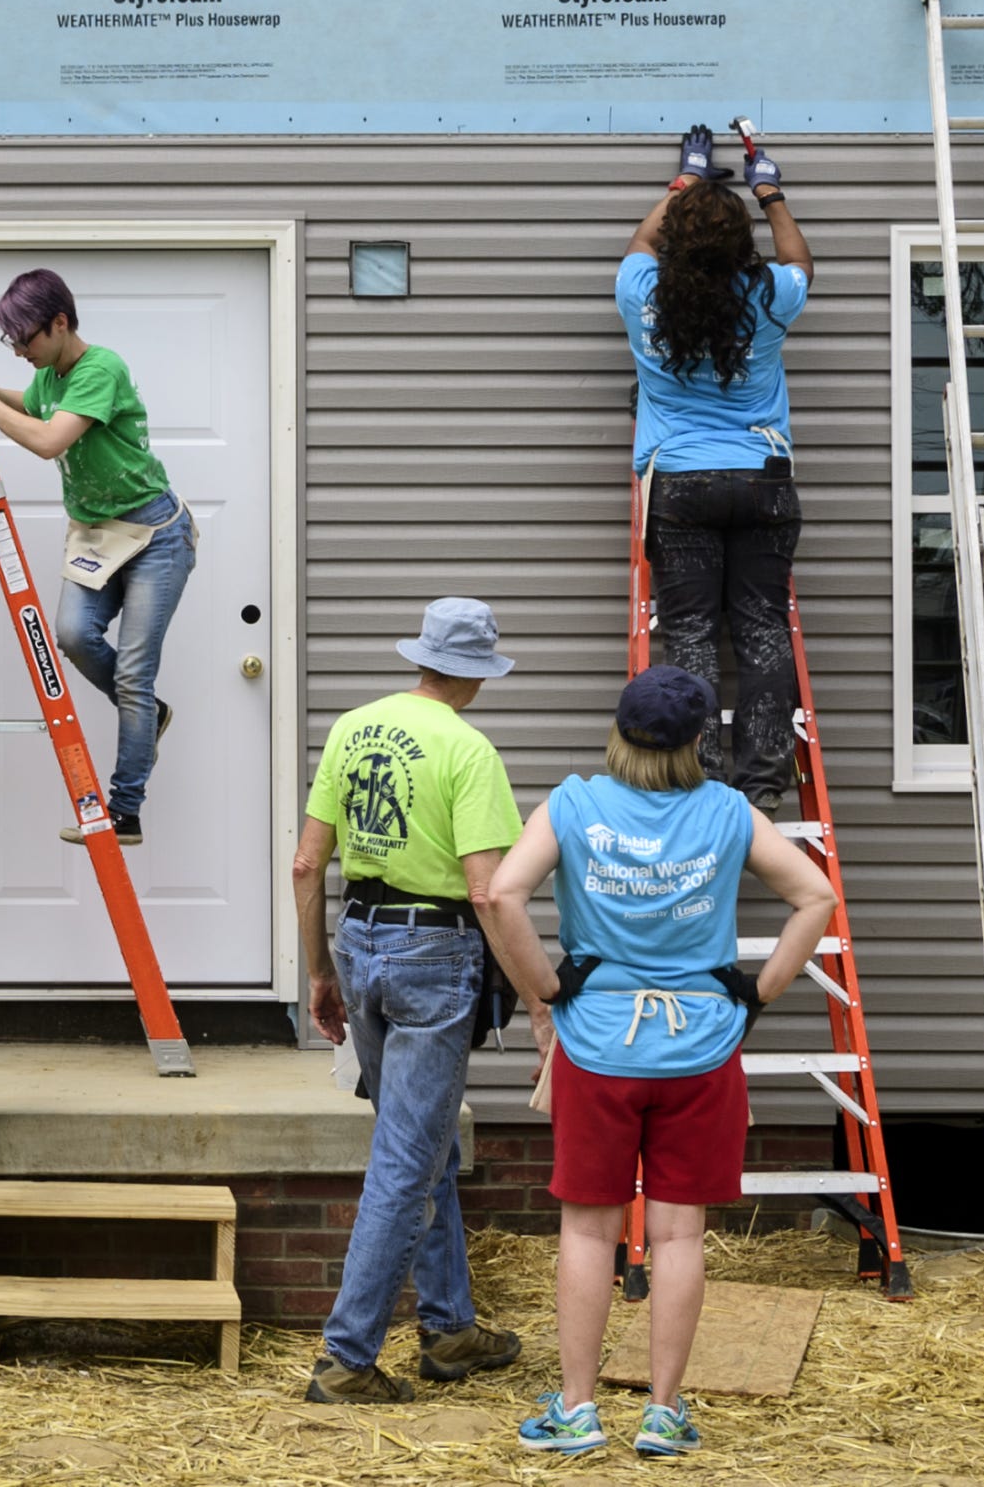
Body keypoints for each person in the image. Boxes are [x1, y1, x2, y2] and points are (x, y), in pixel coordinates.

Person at [477, 666, 837, 1457]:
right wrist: (757, 992)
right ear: (699, 740)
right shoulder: (727, 811)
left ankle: (577, 1411)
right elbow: (815, 896)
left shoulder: (574, 803)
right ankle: (663, 1413)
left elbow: (500, 895)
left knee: (587, 1227)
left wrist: (547, 986)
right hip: (701, 1047)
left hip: (599, 1045)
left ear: (619, 731)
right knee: (678, 1236)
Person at [291, 597, 529, 1405]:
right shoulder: (469, 749)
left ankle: (450, 1325)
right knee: (405, 1158)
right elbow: (488, 892)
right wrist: (535, 990)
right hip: (434, 951)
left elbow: (304, 863)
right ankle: (346, 1357)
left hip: (358, 940)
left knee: (419, 1141)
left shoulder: (354, 726)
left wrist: (319, 970)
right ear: (476, 673)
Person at [0, 270, 194, 846]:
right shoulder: (52, 373)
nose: (19, 351)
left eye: (25, 340)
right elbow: (37, 402)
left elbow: (48, 440)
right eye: (11, 343)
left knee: (135, 676)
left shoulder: (101, 368)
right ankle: (149, 713)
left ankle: (125, 810)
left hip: (154, 537)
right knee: (72, 634)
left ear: (61, 323)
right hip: (97, 535)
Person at [617, 123, 815, 811]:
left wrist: (688, 182)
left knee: (693, 633)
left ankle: (700, 774)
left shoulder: (643, 290)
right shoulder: (766, 297)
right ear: (739, 247)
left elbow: (644, 241)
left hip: (680, 483)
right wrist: (769, 191)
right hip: (762, 476)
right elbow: (801, 264)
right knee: (761, 627)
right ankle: (761, 786)